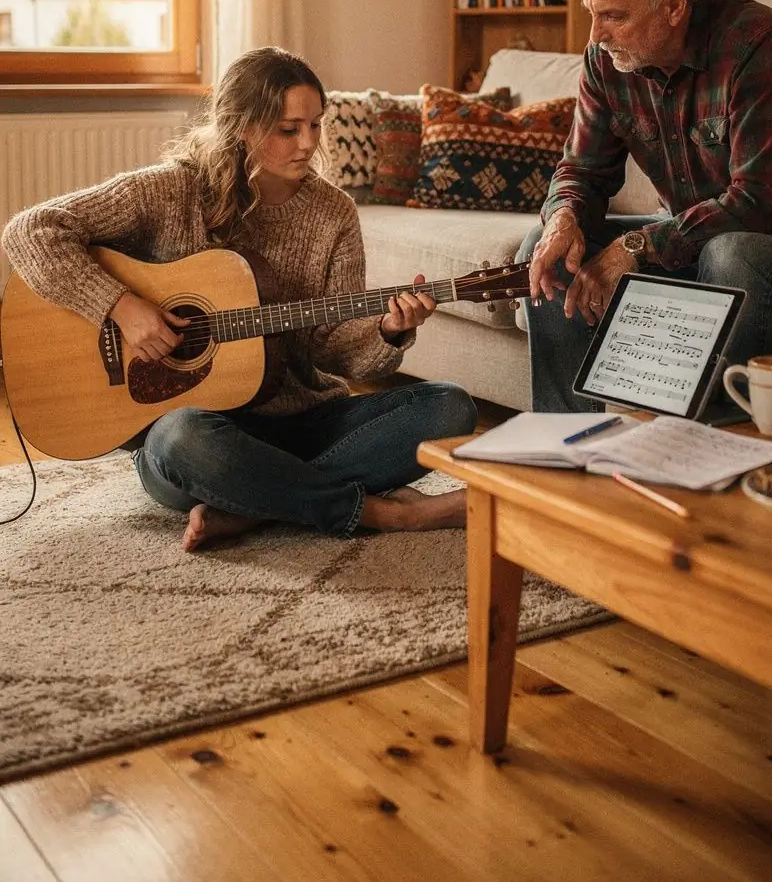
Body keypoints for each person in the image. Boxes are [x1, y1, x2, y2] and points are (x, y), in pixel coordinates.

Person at [2, 47, 477, 547]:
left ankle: (255, 503)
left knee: (450, 407)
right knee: (180, 439)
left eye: (316, 125)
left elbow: (330, 349)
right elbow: (30, 230)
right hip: (200, 431)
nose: (308, 144)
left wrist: (388, 329)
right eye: (289, 129)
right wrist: (121, 307)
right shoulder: (171, 190)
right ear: (241, 127)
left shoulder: (333, 213)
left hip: (303, 421)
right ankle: (385, 514)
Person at [520, 0, 772, 415]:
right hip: (689, 228)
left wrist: (636, 246)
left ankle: (721, 440)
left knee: (731, 253)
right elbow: (583, 171)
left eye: (613, 16)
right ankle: (562, 439)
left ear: (674, 6)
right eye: (592, 13)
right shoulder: (604, 60)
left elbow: (762, 202)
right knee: (545, 247)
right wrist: (563, 217)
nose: (595, 35)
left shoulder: (755, 41)